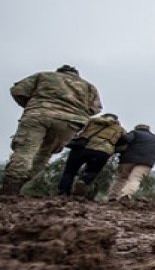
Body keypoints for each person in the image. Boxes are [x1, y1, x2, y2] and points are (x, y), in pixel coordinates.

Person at [1, 65, 102, 195]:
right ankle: (20, 184)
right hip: (69, 123)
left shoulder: (43, 76)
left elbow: (18, 90)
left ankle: (10, 187)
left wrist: (31, 105)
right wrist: (76, 113)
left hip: (39, 115)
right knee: (44, 154)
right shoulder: (89, 87)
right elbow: (95, 108)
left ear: (59, 71)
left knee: (25, 150)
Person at [58, 113, 126, 197]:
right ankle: (84, 181)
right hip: (103, 151)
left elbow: (76, 128)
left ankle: (63, 192)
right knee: (92, 171)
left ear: (102, 117)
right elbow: (124, 141)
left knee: (69, 171)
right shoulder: (120, 129)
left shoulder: (91, 121)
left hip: (82, 147)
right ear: (116, 120)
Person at [108, 124, 155, 201]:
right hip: (146, 162)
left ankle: (113, 197)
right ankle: (126, 195)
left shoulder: (135, 133)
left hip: (128, 159)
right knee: (135, 178)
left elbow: (125, 139)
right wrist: (150, 156)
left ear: (137, 128)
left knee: (121, 178)